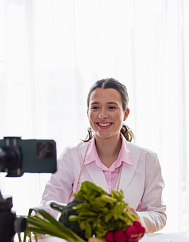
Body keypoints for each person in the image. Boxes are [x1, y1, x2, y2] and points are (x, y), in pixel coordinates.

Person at [40, 78, 166, 233]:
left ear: (125, 113)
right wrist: (39, 221)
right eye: (95, 107)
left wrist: (137, 218)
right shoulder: (71, 156)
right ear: (88, 113)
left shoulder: (148, 160)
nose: (102, 115)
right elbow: (49, 203)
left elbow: (158, 215)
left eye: (111, 107)